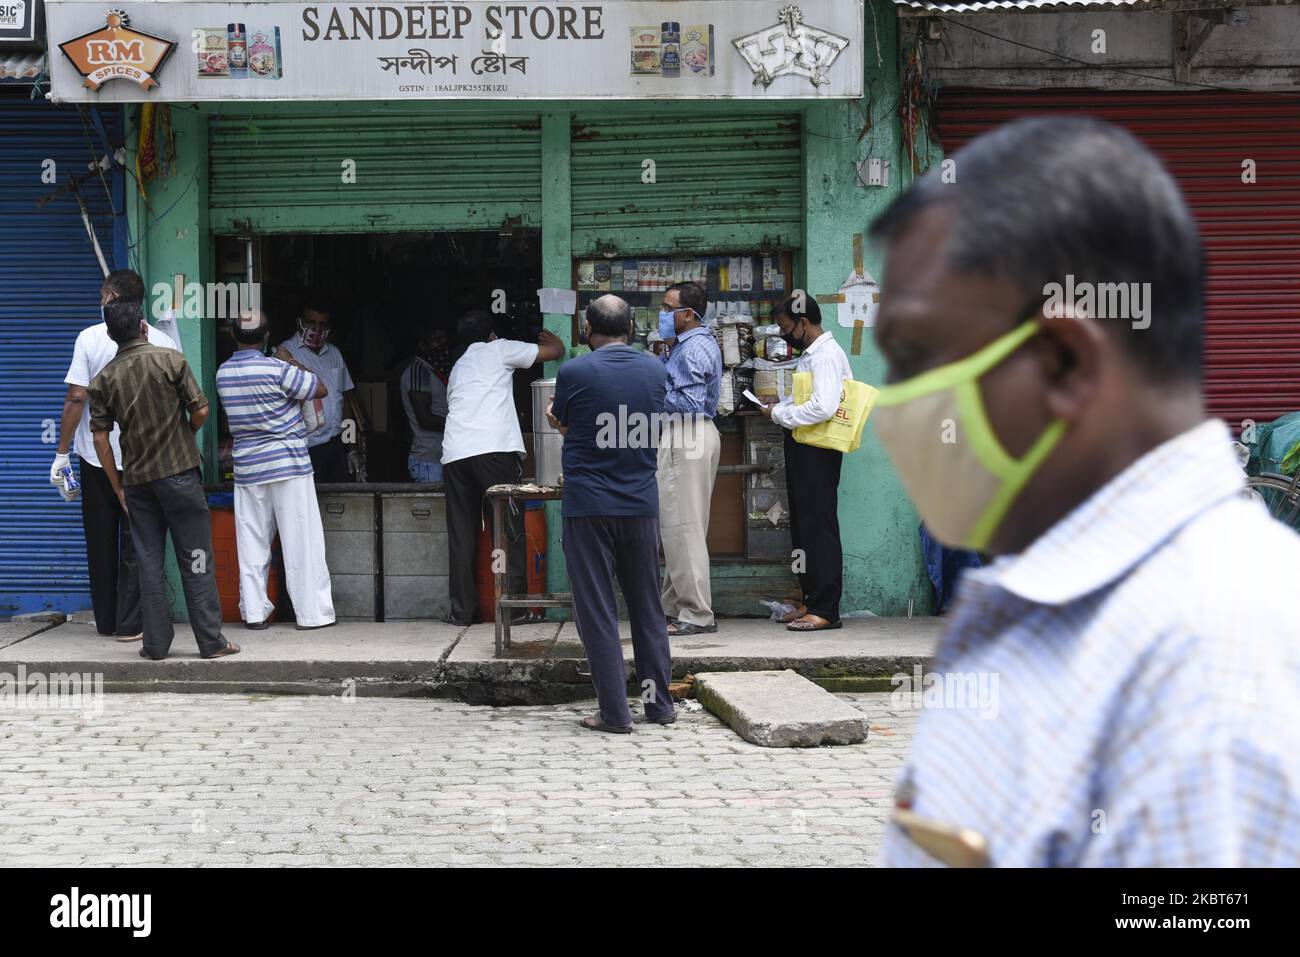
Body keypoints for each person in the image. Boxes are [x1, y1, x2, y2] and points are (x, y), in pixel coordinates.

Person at [870, 116, 1300, 866]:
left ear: (1066, 362)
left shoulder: (1208, 670)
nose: (896, 406)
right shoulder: (1050, 604)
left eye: (914, 357)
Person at [548, 294, 675, 733]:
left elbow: (565, 421)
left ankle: (615, 713)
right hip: (640, 504)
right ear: (633, 329)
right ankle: (658, 706)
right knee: (647, 608)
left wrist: (559, 420)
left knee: (598, 610)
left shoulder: (573, 371)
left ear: (587, 329)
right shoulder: (656, 369)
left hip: (588, 506)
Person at [87, 299, 237, 660]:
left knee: (149, 561)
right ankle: (211, 642)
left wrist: (117, 485)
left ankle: (154, 645)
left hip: (137, 482)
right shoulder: (171, 360)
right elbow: (200, 409)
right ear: (143, 326)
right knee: (197, 555)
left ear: (110, 334)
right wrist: (184, 434)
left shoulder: (103, 380)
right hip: (180, 476)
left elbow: (99, 438)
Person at [52, 269, 177, 642]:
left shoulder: (91, 337)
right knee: (140, 540)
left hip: (96, 458)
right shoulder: (164, 341)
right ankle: (131, 623)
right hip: (148, 459)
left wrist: (61, 454)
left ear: (110, 296)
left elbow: (76, 397)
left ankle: (107, 621)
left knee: (101, 540)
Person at [440, 310, 564, 625]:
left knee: (462, 534)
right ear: (491, 334)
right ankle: (516, 610)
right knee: (508, 529)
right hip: (493, 451)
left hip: (455, 453)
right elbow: (555, 353)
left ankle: (462, 612)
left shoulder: (457, 367)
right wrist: (553, 337)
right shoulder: (500, 348)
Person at [215, 310, 336, 631]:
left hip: (249, 469)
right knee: (302, 541)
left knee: (252, 542)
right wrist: (291, 360)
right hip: (289, 465)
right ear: (267, 338)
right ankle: (312, 615)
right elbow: (319, 388)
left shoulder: (223, 373)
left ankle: (254, 613)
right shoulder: (279, 369)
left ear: (233, 336)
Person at [757, 295, 853, 632]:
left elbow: (823, 407)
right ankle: (811, 600)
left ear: (804, 323)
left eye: (786, 328)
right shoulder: (813, 355)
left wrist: (779, 413)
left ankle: (826, 608)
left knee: (818, 527)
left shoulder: (825, 356)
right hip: (806, 445)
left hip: (818, 450)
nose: (785, 335)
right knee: (804, 526)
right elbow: (809, 399)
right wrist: (780, 403)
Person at [656, 281, 723, 636]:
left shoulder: (694, 348)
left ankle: (697, 613)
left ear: (688, 314)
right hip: (689, 435)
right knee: (679, 527)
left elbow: (691, 404)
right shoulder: (685, 346)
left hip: (688, 433)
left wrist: (649, 387)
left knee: (683, 527)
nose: (663, 314)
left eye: (668, 309)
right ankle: (673, 607)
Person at [275, 296, 366, 483]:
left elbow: (345, 401)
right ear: (299, 322)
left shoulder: (334, 353)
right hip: (304, 451)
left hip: (335, 446)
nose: (316, 330)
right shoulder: (284, 354)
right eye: (311, 323)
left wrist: (351, 448)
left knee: (337, 506)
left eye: (322, 325)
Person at [401, 326, 451, 483]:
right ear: (423, 345)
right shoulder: (418, 371)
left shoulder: (434, 370)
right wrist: (462, 423)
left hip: (442, 458)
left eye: (444, 340)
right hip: (428, 461)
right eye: (437, 341)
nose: (442, 345)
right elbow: (424, 419)